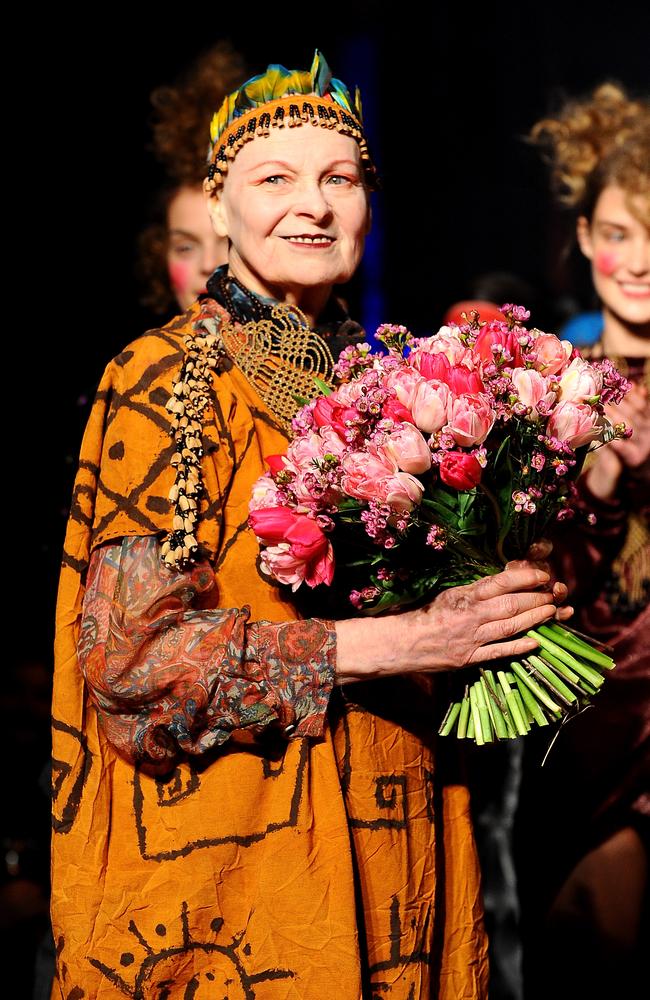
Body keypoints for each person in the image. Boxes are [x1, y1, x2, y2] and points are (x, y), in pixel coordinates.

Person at [51, 51, 567, 998]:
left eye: (339, 178)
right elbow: (132, 663)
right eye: (275, 178)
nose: (314, 205)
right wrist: (406, 638)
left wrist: (498, 592)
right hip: (235, 894)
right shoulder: (172, 377)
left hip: (394, 867)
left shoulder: (383, 385)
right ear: (217, 208)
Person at [516, 83, 649, 1000]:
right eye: (617, 231)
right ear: (583, 240)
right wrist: (598, 484)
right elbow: (521, 581)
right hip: (585, 725)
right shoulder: (545, 380)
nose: (636, 260)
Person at [138, 42, 248, 315]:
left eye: (228, 240)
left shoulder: (336, 350)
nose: (208, 264)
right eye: (185, 247)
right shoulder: (142, 357)